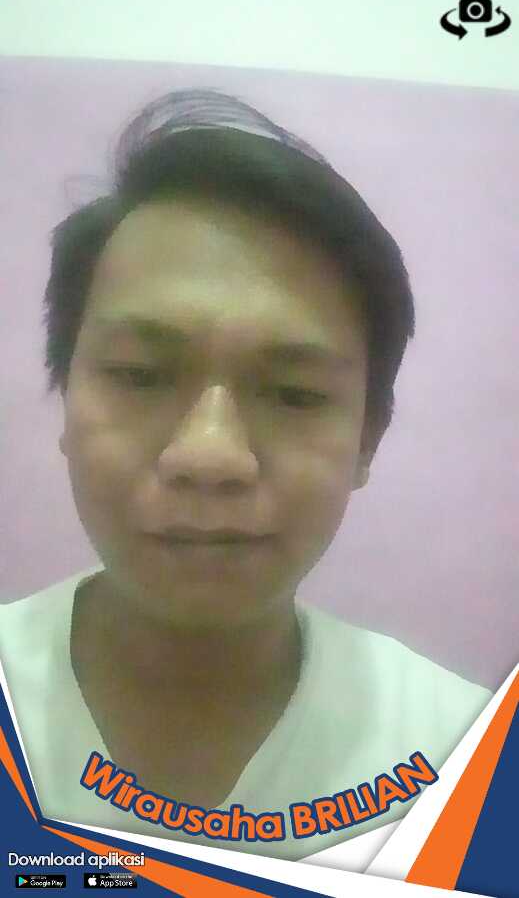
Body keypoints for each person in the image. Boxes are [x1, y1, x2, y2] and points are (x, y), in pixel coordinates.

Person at [0, 90, 490, 860]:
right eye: (139, 375)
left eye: (293, 394)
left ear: (366, 440)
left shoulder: (464, 757)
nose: (209, 457)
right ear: (66, 401)